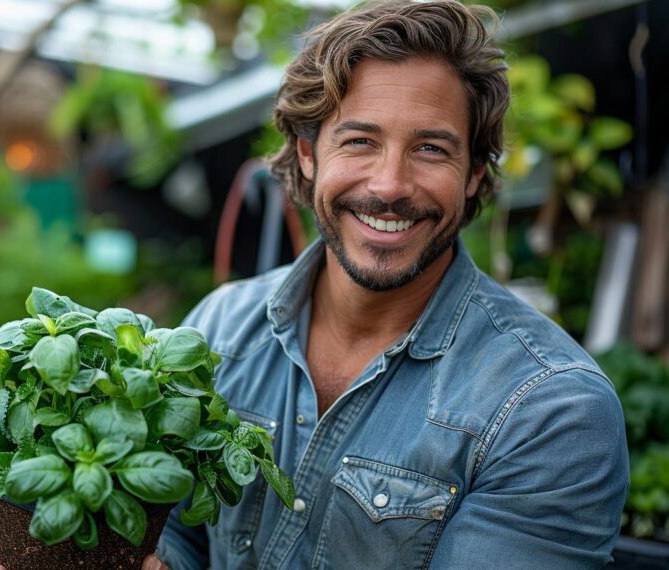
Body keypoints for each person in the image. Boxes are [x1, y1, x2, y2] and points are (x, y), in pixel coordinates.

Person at [146, 1, 629, 569]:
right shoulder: (220, 328)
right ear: (308, 153)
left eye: (431, 148)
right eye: (359, 140)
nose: (391, 185)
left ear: (474, 171)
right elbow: (175, 530)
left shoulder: (549, 409)